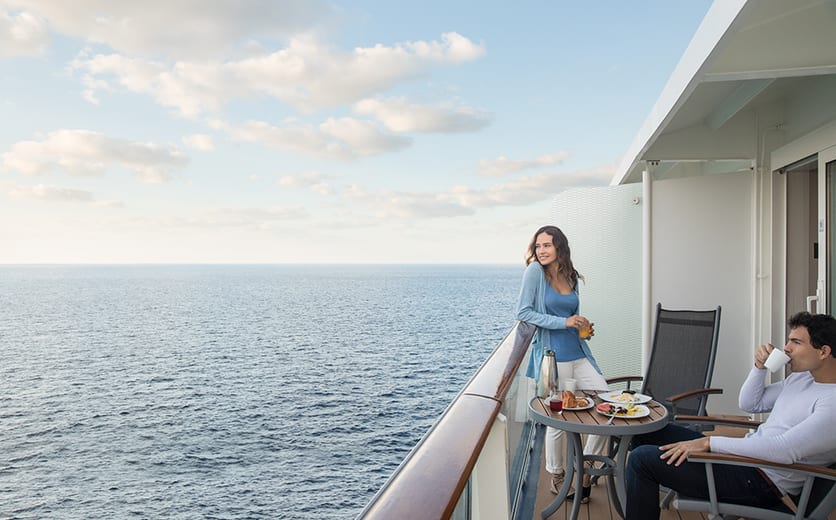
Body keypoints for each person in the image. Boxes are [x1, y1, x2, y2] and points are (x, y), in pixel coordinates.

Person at [625, 311, 836, 519]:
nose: (786, 349)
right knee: (647, 432)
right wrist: (759, 367)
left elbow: (785, 450)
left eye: (796, 342)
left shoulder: (832, 403)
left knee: (641, 460)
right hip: (741, 461)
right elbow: (750, 403)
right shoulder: (802, 380)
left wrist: (710, 443)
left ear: (823, 351)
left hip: (757, 481)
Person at [516, 225, 609, 502]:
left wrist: (582, 326)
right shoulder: (534, 272)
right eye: (538, 246)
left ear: (559, 248)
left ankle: (586, 469)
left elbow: (573, 314)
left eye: (547, 245)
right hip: (552, 358)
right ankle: (558, 475)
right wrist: (564, 322)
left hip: (579, 354)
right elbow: (524, 312)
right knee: (558, 418)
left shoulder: (571, 275)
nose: (541, 251)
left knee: (606, 405)